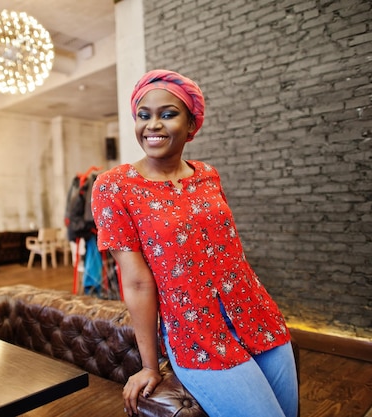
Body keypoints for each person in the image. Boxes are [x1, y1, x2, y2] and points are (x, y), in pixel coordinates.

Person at [90, 69, 298, 417]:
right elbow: (138, 281)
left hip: (258, 315)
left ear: (191, 125)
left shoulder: (208, 175)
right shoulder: (114, 187)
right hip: (197, 335)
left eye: (167, 114)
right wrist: (150, 365)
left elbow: (231, 253)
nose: (152, 124)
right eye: (144, 115)